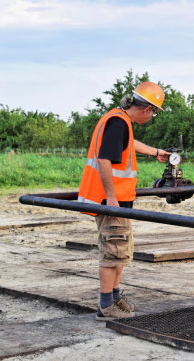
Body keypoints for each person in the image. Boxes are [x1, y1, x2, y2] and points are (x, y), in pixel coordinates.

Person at [78, 81, 172, 320]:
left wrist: (155, 152)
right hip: (112, 202)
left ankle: (114, 297)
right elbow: (104, 161)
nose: (151, 117)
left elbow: (129, 146)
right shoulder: (118, 123)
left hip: (119, 201)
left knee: (120, 251)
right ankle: (106, 305)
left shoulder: (120, 121)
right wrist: (111, 199)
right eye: (153, 113)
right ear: (147, 109)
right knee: (112, 252)